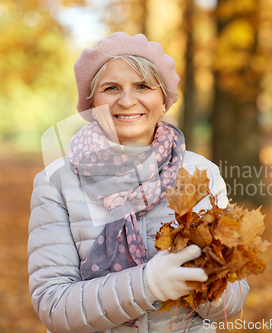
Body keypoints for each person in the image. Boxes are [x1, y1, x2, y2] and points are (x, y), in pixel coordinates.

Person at [28, 31, 249, 333]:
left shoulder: (201, 174)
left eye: (143, 86)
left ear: (164, 99)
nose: (127, 100)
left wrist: (197, 279)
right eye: (111, 88)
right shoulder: (56, 182)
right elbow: (53, 306)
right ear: (92, 101)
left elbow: (231, 305)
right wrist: (147, 285)